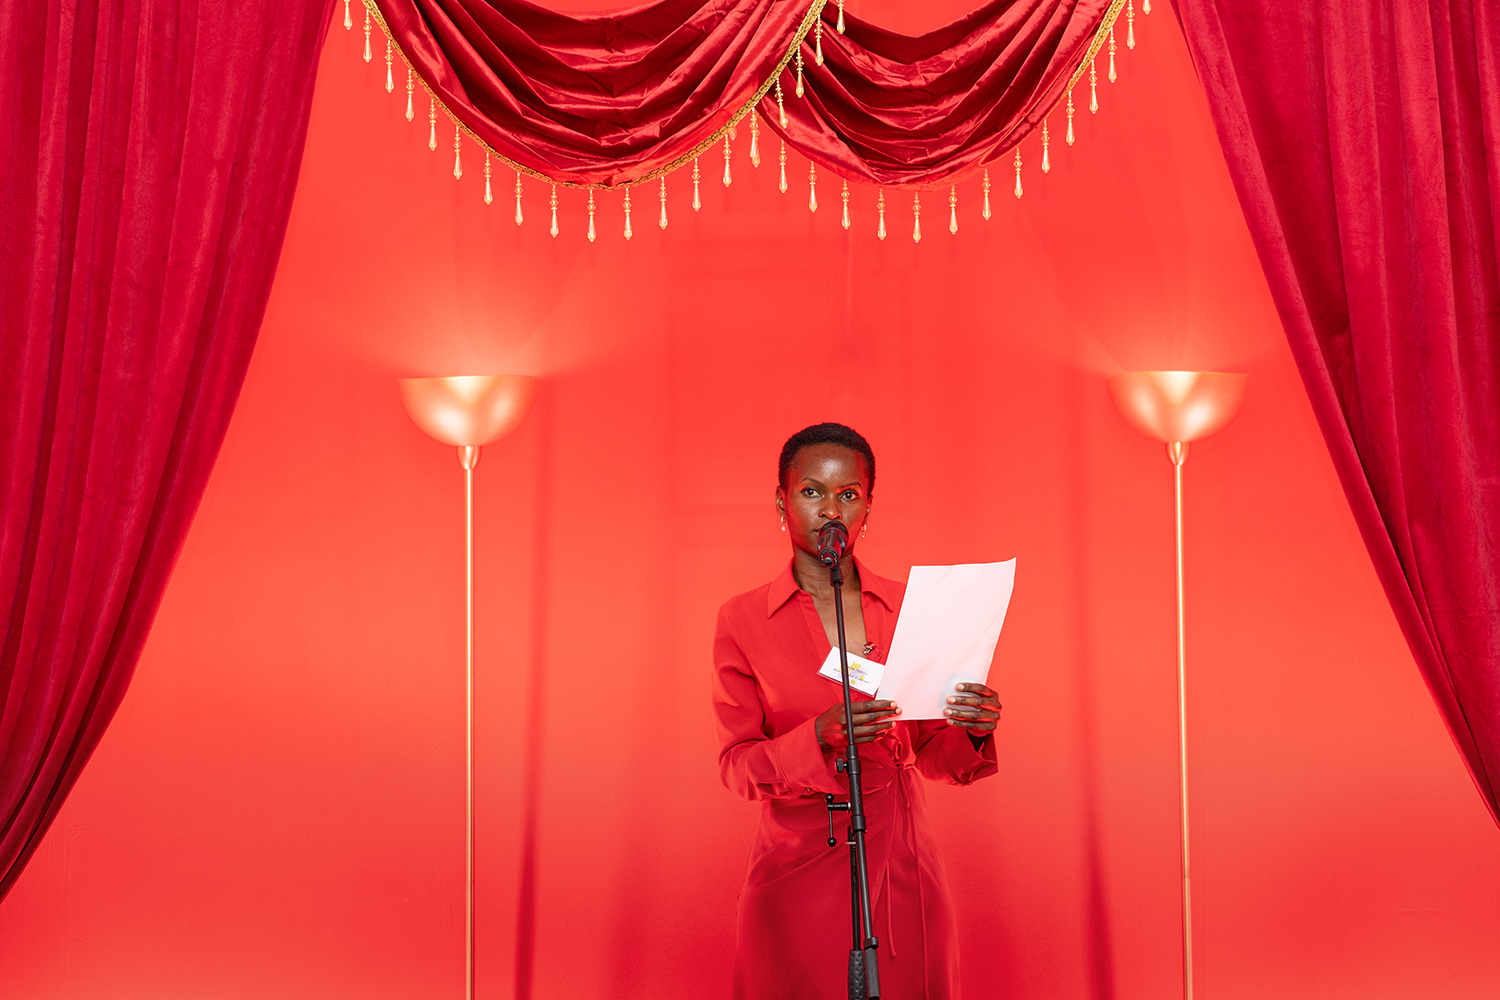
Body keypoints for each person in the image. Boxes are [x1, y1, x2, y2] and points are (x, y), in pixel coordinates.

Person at [712, 422, 1002, 1000]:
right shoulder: (742, 620)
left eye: (848, 494)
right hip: (794, 873)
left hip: (903, 874)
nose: (830, 510)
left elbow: (933, 757)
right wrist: (816, 737)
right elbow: (736, 766)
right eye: (812, 491)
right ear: (781, 502)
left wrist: (969, 730)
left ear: (868, 507)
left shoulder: (907, 609)